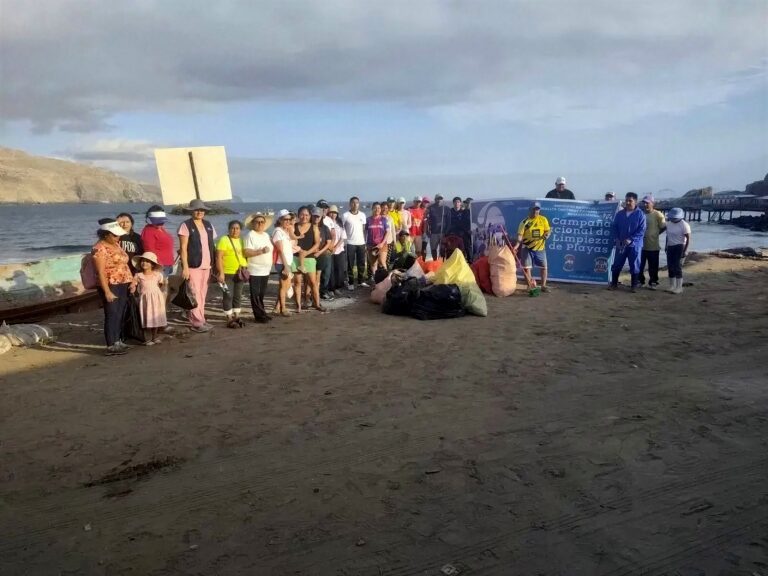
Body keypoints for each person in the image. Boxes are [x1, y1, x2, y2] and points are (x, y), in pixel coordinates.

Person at [91, 219, 133, 355]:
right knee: (111, 313)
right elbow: (100, 272)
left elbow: (124, 264)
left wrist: (131, 280)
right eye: (115, 235)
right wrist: (107, 291)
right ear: (106, 234)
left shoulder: (116, 245)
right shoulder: (99, 248)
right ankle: (111, 344)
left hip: (123, 283)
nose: (118, 237)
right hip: (110, 284)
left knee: (120, 312)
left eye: (118, 234)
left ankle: (118, 340)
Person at [178, 198, 217, 332]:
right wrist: (185, 267)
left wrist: (215, 265)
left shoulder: (208, 225)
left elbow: (212, 245)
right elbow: (183, 248)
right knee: (194, 293)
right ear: (191, 211)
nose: (199, 212)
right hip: (193, 265)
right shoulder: (185, 225)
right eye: (196, 210)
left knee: (202, 293)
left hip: (207, 265)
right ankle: (196, 322)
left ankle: (201, 318)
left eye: (201, 210)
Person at [609, 192, 647, 292]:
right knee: (617, 263)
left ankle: (634, 286)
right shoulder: (620, 214)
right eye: (626, 200)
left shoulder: (640, 214)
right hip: (621, 244)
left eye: (630, 201)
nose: (628, 203)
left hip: (635, 245)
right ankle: (614, 284)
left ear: (635, 201)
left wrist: (631, 239)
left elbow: (642, 230)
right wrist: (617, 238)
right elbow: (614, 227)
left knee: (634, 264)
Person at [215, 220, 247, 328]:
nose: (235, 230)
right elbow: (218, 257)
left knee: (238, 295)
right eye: (232, 228)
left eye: (237, 228)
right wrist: (221, 273)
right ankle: (229, 317)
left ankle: (237, 315)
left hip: (240, 273)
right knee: (227, 295)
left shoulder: (242, 240)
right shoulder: (224, 240)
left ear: (240, 230)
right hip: (226, 273)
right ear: (229, 229)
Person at [129, 251, 166, 345]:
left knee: (155, 317)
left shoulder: (158, 274)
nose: (144, 263)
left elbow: (162, 285)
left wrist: (162, 292)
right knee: (146, 317)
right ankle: (147, 338)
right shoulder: (138, 275)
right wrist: (132, 287)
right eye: (142, 261)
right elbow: (134, 284)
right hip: (145, 300)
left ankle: (155, 337)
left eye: (147, 261)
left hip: (156, 299)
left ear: (153, 264)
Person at [242, 212, 274, 323]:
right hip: (254, 269)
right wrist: (260, 251)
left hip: (266, 269)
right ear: (253, 223)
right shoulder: (250, 235)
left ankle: (262, 312)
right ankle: (259, 316)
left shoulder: (266, 235)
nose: (260, 224)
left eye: (262, 222)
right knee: (255, 294)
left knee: (261, 293)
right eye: (257, 222)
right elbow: (246, 252)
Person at [294, 206, 325, 312]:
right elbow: (289, 240)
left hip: (310, 257)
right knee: (297, 282)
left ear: (310, 216)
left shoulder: (314, 227)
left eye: (307, 215)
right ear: (298, 215)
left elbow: (317, 243)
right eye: (302, 214)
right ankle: (298, 306)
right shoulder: (294, 226)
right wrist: (298, 250)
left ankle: (317, 304)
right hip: (296, 257)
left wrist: (307, 252)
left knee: (313, 282)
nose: (304, 217)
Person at [516, 202, 552, 292]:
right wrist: (516, 246)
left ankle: (543, 286)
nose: (536, 211)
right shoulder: (524, 222)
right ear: (530, 210)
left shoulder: (543, 219)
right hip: (527, 248)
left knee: (544, 267)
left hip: (540, 248)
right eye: (534, 209)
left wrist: (547, 235)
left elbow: (548, 230)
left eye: (537, 209)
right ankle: (530, 287)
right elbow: (520, 236)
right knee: (526, 268)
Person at [638, 195, 666, 290]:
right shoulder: (640, 214)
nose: (645, 205)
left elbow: (664, 227)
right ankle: (640, 281)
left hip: (653, 246)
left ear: (652, 203)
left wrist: (656, 233)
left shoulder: (658, 214)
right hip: (640, 246)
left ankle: (653, 282)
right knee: (639, 265)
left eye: (647, 203)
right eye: (644, 203)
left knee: (653, 266)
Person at [271, 209, 295, 316]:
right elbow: (280, 250)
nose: (288, 221)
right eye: (285, 219)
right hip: (282, 263)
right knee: (284, 286)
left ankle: (277, 307)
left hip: (286, 262)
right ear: (280, 220)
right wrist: (286, 266)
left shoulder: (285, 231)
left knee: (284, 285)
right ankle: (283, 309)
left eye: (289, 219)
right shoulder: (278, 232)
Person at [140, 205, 175, 276]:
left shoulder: (160, 228)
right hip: (159, 266)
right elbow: (150, 251)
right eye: (158, 222)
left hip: (167, 264)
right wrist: (158, 266)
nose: (160, 223)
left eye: (162, 222)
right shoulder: (148, 231)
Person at [343, 196, 368, 289]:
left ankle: (361, 281)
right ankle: (351, 283)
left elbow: (364, 229)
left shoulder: (362, 215)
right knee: (350, 264)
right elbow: (342, 229)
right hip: (350, 243)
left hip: (361, 242)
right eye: (353, 203)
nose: (355, 204)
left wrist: (365, 242)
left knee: (361, 263)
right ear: (350, 204)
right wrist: (344, 242)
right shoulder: (345, 215)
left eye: (357, 203)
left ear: (359, 204)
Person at [664, 207, 691, 294]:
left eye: (674, 217)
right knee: (670, 266)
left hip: (680, 246)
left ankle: (679, 287)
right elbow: (667, 236)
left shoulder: (684, 225)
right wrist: (666, 246)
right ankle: (672, 286)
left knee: (677, 266)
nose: (673, 219)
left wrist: (685, 250)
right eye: (672, 217)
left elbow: (688, 238)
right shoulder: (669, 224)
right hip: (670, 246)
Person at [312, 207, 335, 300]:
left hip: (323, 254)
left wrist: (320, 252)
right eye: (314, 216)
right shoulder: (308, 227)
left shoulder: (325, 228)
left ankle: (322, 293)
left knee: (324, 275)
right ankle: (311, 295)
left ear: (321, 217)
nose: (316, 218)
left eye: (318, 216)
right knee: (311, 277)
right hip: (311, 255)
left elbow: (328, 242)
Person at [327, 205, 348, 296]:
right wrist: (331, 247)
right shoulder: (326, 222)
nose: (333, 215)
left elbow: (342, 237)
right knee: (330, 270)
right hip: (329, 250)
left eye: (335, 213)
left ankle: (337, 287)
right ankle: (331, 288)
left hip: (339, 249)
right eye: (331, 213)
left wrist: (336, 247)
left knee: (339, 269)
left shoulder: (340, 223)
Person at [366, 202, 389, 278]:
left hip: (382, 245)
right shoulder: (368, 220)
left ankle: (386, 280)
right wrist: (366, 244)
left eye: (378, 208)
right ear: (372, 209)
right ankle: (376, 280)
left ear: (380, 209)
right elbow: (364, 232)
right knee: (373, 264)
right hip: (371, 245)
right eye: (375, 208)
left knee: (382, 262)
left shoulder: (384, 219)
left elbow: (387, 232)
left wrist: (382, 243)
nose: (377, 209)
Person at [425, 194, 451, 260]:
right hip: (433, 233)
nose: (439, 200)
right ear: (435, 199)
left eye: (440, 199)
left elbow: (449, 222)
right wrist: (427, 230)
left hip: (443, 233)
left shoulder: (446, 209)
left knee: (443, 249)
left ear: (442, 199)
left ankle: (442, 262)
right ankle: (435, 261)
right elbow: (427, 220)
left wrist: (447, 232)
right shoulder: (430, 208)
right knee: (433, 249)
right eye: (438, 199)